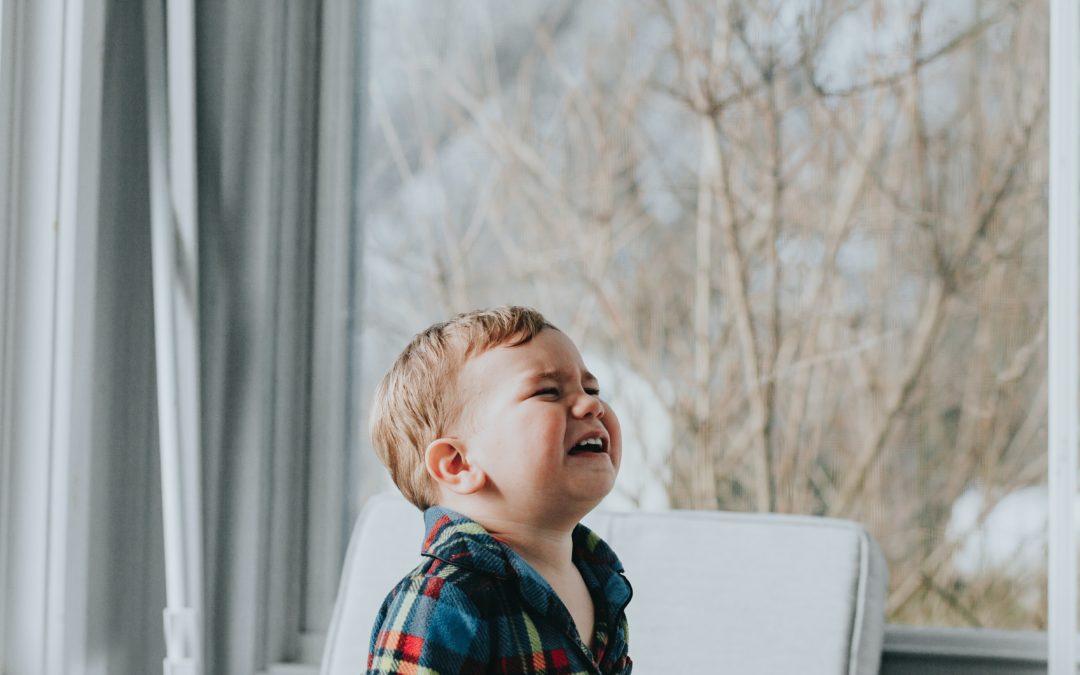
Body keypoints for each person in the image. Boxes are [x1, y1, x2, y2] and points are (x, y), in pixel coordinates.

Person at [366, 306, 633, 675]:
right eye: (548, 392)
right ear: (458, 464)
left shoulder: (601, 583)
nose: (592, 405)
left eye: (592, 389)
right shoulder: (443, 598)